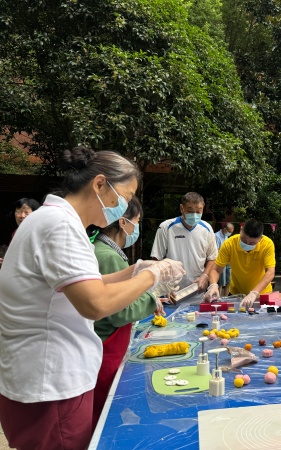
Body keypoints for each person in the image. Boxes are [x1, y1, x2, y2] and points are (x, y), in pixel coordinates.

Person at [0, 147, 184, 450]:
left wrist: (136, 269)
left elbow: (86, 285)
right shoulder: (60, 226)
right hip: (52, 384)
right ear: (99, 184)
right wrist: (153, 276)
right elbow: (95, 304)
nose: (122, 209)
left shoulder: (54, 220)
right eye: (124, 197)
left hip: (42, 379)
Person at [91, 197, 162, 428]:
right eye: (137, 221)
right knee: (102, 416)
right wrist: (150, 299)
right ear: (123, 222)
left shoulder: (103, 249)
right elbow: (120, 311)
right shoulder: (108, 256)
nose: (137, 228)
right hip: (105, 347)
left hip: (105, 345)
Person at [150, 192, 218, 302]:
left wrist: (205, 275)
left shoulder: (207, 229)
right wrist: (164, 285)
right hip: (170, 293)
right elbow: (156, 259)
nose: (194, 215)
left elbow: (212, 257)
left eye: (198, 211)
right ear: (182, 208)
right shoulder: (166, 227)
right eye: (190, 211)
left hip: (196, 291)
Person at [207, 219, 275, 309]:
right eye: (243, 240)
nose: (247, 244)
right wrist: (213, 285)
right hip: (236, 294)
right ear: (241, 230)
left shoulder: (267, 244)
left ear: (260, 238)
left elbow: (270, 272)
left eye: (252, 243)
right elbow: (216, 269)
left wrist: (254, 293)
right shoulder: (229, 244)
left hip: (261, 294)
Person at [0, 198, 41, 267]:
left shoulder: (38, 233)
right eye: (18, 212)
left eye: (26, 212)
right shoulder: (15, 232)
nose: (22, 216)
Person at [215, 222, 234, 296]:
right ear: (225, 229)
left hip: (228, 262)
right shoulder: (216, 236)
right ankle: (218, 299)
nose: (230, 234)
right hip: (220, 262)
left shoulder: (226, 236)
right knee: (221, 284)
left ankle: (226, 299)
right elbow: (216, 251)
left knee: (228, 282)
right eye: (229, 232)